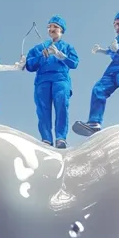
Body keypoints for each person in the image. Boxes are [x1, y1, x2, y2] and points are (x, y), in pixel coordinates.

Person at [73, 12, 119, 136]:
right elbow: (112, 51)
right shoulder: (116, 38)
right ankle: (94, 123)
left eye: (118, 22)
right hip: (112, 70)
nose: (116, 25)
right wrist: (102, 50)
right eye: (114, 23)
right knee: (98, 89)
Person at [25, 16, 79, 148]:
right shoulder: (40, 48)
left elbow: (74, 63)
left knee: (61, 106)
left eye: (55, 26)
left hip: (60, 80)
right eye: (49, 26)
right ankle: (46, 139)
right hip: (42, 81)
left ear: (61, 30)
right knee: (43, 110)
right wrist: (40, 56)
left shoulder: (67, 47)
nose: (51, 29)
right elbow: (29, 65)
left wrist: (61, 55)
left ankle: (61, 138)